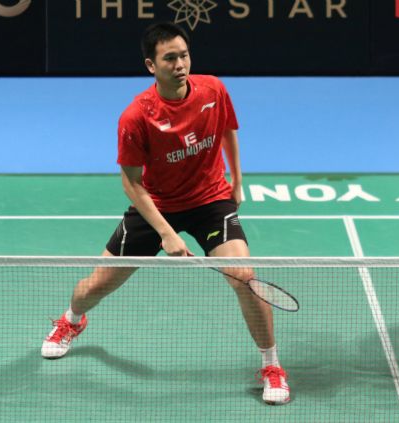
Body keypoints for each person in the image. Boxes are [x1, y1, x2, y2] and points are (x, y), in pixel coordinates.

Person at [40, 22, 290, 404]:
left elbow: (228, 131)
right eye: (169, 58)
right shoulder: (136, 117)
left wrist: (237, 180)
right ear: (150, 65)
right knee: (97, 285)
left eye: (184, 55)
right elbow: (131, 183)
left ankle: (272, 365)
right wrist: (166, 233)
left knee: (245, 278)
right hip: (156, 206)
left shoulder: (213, 90)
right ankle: (71, 320)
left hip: (209, 200)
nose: (180, 64)